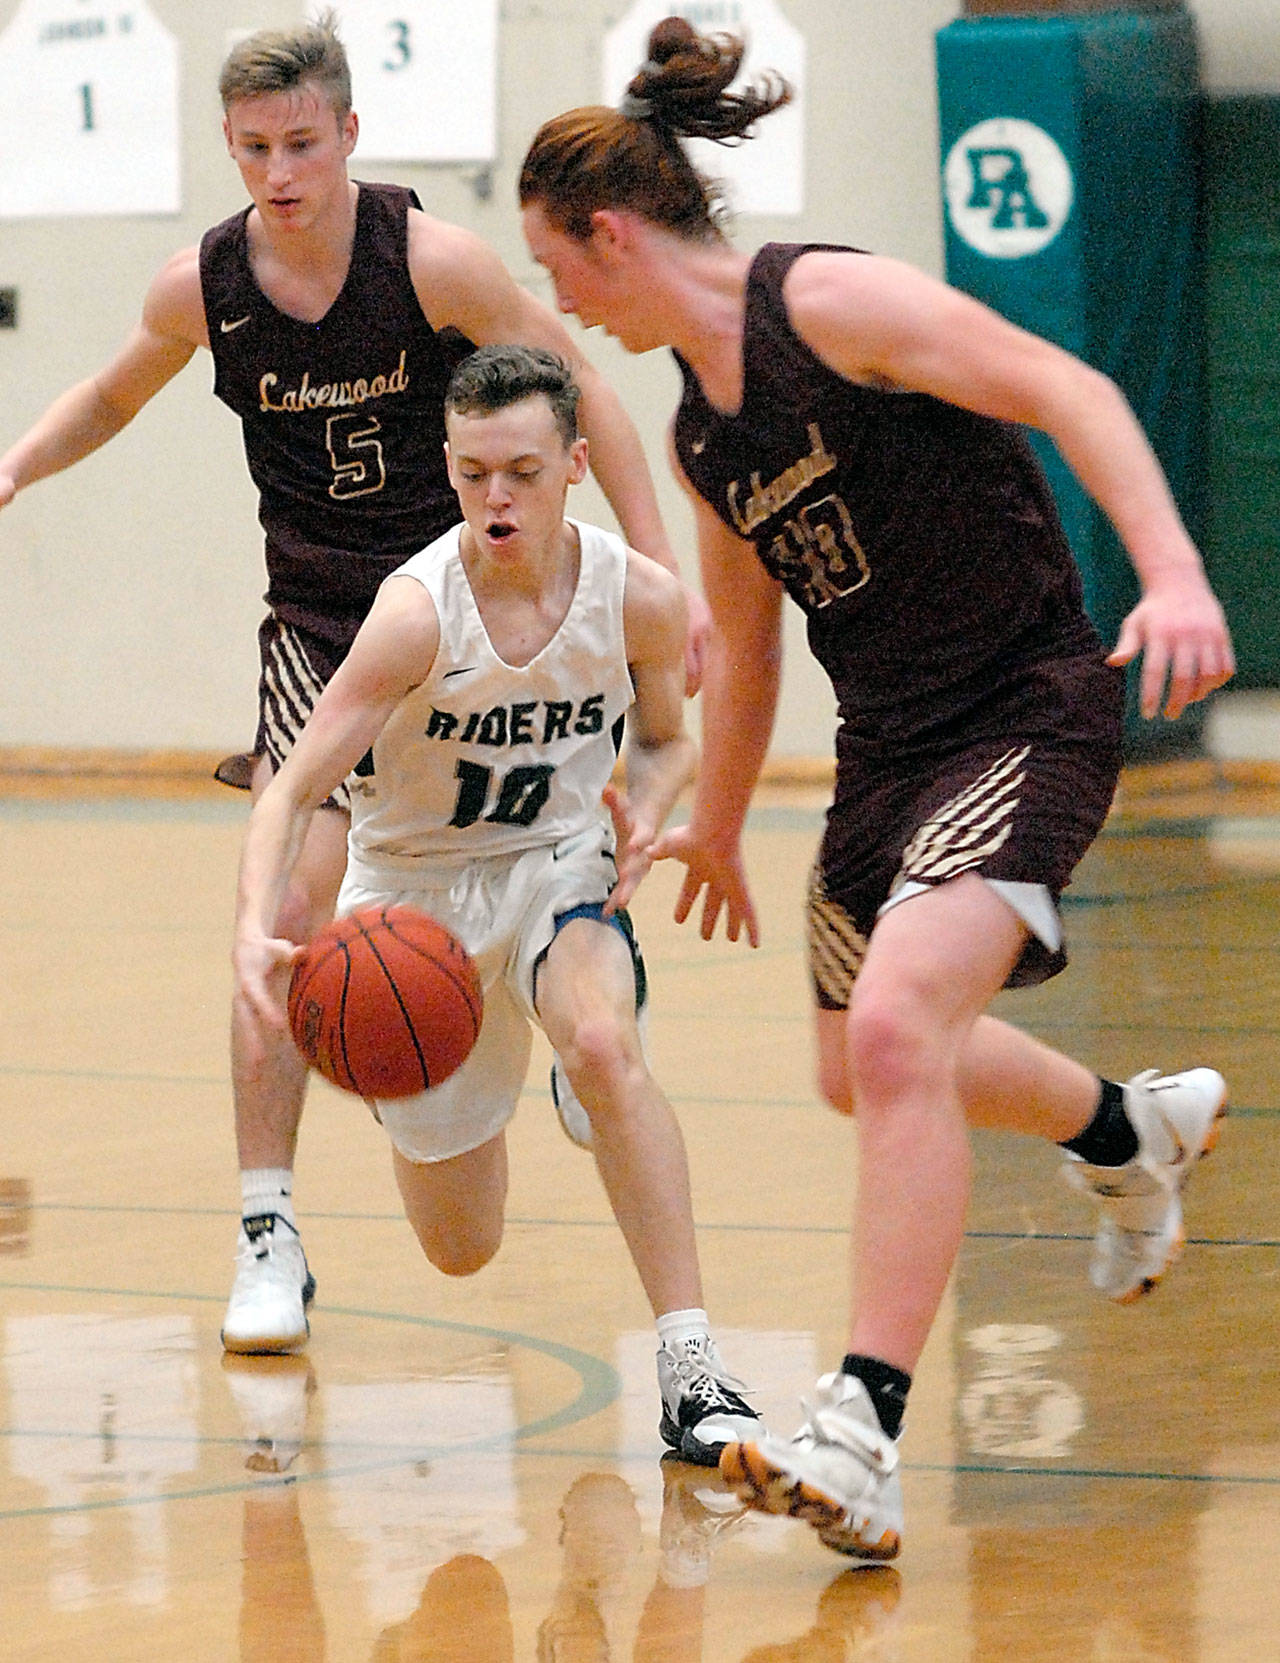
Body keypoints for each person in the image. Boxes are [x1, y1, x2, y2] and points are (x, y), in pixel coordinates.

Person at [516, 16, 1234, 1558]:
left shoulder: (828, 301)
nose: (555, 300)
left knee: (906, 1029)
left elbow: (1071, 385)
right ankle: (1128, 1129)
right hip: (887, 756)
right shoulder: (707, 431)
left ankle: (861, 1428)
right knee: (862, 1068)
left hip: (1023, 709)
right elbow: (754, 636)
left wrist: (1172, 571)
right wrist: (713, 813)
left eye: (557, 267)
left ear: (614, 232)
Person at [0, 13, 709, 1357]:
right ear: (231, 147)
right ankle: (266, 1224)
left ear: (350, 136)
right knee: (284, 908)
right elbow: (112, 391)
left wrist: (655, 573)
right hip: (328, 627)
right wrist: (21, 461)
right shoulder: (200, 285)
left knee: (562, 826)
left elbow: (585, 400)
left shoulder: (429, 259)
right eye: (257, 149)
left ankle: (588, 1002)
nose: (281, 172)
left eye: (304, 144)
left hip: (478, 601)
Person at [232, 342, 761, 1467]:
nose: (495, 498)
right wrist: (252, 928)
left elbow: (667, 740)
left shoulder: (639, 598)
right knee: (461, 1251)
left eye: (519, 470)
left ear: (575, 463)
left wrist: (645, 813)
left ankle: (691, 1370)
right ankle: (492, 1073)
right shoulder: (416, 613)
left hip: (557, 868)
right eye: (471, 474)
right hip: (413, 908)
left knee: (607, 1046)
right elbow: (290, 785)